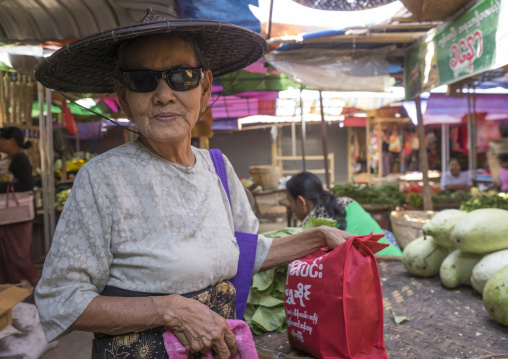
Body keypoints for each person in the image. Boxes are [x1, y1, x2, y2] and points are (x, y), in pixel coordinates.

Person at [33, 9, 353, 358]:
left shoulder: (217, 166)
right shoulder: (102, 179)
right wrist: (168, 309)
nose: (164, 95)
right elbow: (59, 298)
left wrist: (318, 237)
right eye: (142, 80)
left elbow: (244, 252)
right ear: (123, 96)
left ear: (204, 89)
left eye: (182, 77)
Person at [285, 172, 402, 257]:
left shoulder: (309, 228)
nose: (291, 207)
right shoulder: (347, 201)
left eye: (290, 202)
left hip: (377, 271)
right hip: (398, 259)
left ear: (301, 202)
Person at [0, 126, 37, 286]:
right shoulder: (10, 159)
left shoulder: (20, 159)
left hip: (18, 215)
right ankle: (18, 286)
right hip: (10, 215)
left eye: (1, 140)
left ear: (12, 141)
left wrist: (2, 187)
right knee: (11, 253)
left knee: (18, 254)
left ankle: (34, 285)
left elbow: (28, 185)